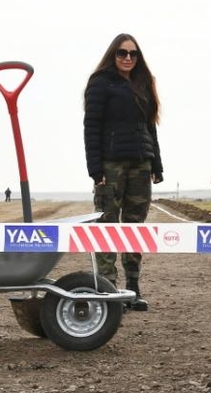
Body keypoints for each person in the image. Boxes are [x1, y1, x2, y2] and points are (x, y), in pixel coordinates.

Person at [83, 33, 163, 312]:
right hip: (110, 165)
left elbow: (150, 127)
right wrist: (95, 169)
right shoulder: (100, 83)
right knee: (107, 224)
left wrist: (157, 164)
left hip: (141, 164)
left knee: (133, 227)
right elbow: (91, 126)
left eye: (133, 53)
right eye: (122, 53)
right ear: (112, 55)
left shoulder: (143, 83)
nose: (128, 58)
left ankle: (133, 286)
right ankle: (107, 287)